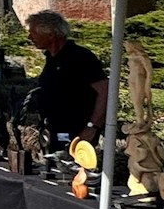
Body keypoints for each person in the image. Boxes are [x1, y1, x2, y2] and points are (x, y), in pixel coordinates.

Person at [26, 10, 110, 153]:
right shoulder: (51, 59)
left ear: (51, 34)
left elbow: (104, 91)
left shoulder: (80, 57)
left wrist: (92, 126)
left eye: (33, 33)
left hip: (78, 133)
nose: (30, 37)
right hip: (52, 131)